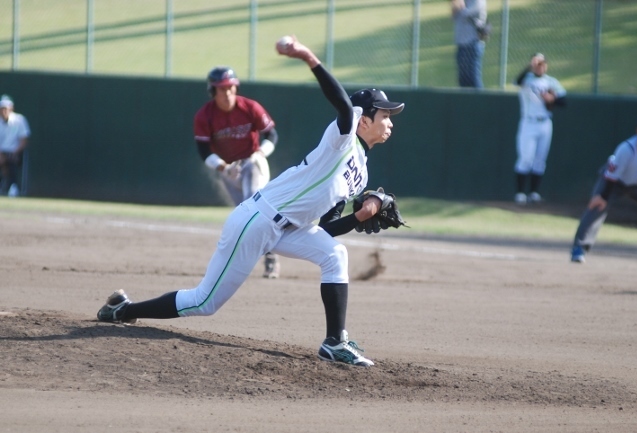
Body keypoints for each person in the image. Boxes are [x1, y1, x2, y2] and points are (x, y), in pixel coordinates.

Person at [97, 35, 405, 367]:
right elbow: (344, 105)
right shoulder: (341, 140)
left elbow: (327, 229)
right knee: (204, 302)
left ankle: (334, 342)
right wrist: (306, 56)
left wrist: (363, 214)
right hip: (257, 220)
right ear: (363, 120)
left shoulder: (360, 170)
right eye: (384, 115)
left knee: (334, 254)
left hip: (289, 229)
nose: (390, 121)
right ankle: (123, 309)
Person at [194, 66, 281, 278]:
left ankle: (269, 257)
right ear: (212, 91)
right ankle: (256, 256)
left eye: (231, 87)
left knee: (254, 209)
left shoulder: (249, 107)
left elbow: (272, 135)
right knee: (243, 214)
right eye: (221, 89)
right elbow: (203, 151)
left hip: (253, 163)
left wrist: (260, 153)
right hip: (228, 169)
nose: (227, 93)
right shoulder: (205, 116)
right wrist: (223, 167)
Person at [570, 117, 637, 263]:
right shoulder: (627, 149)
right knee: (598, 205)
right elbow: (611, 176)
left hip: (636, 184)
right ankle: (580, 247)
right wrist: (602, 196)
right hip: (613, 182)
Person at [513, 53, 566, 205]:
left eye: (542, 63)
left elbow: (564, 101)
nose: (540, 66)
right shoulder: (527, 80)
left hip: (545, 123)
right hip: (528, 122)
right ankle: (520, 194)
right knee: (526, 158)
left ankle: (534, 193)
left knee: (540, 160)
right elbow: (517, 81)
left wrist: (553, 99)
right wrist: (529, 66)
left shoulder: (551, 82)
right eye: (537, 63)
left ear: (546, 65)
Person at [451, 0, 487, 89]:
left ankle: (480, 102)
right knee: (462, 80)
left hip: (472, 43)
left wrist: (459, 5)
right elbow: (454, 16)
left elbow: (467, 14)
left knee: (473, 79)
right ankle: (464, 102)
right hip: (461, 44)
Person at [0, 94, 30, 197]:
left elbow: (24, 140)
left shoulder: (20, 120)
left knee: (11, 160)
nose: (4, 111)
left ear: (11, 108)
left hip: (15, 152)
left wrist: (15, 152)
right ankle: (6, 186)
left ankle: (12, 187)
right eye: (2, 109)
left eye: (6, 109)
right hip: (1, 152)